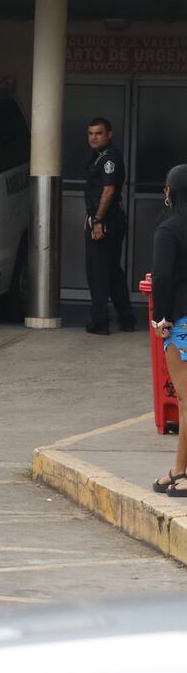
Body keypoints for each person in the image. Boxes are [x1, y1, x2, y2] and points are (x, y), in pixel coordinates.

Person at [151, 165, 187, 495]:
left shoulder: (169, 229)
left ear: (171, 193)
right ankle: (179, 469)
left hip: (181, 321)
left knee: (186, 400)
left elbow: (160, 277)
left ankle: (181, 473)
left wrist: (161, 319)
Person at [82, 117, 135, 335]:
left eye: (99, 133)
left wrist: (98, 220)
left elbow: (109, 190)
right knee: (112, 271)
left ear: (109, 134)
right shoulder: (100, 157)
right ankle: (127, 318)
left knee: (99, 272)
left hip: (106, 222)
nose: (94, 137)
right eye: (91, 133)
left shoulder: (109, 158)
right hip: (107, 219)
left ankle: (100, 322)